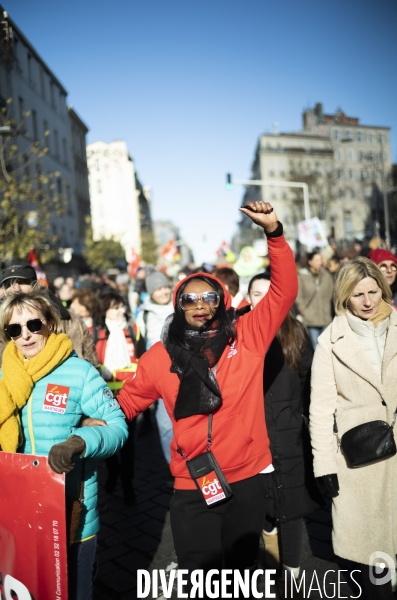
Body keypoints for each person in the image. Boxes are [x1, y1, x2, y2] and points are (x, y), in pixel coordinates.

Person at [116, 202, 297, 584]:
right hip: (192, 482)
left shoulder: (247, 336)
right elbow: (128, 403)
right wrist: (93, 425)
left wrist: (274, 234)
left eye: (209, 297)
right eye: (190, 299)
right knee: (198, 579)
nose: (200, 305)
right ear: (178, 306)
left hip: (247, 479)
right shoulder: (159, 356)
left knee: (241, 576)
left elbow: (283, 292)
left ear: (223, 302)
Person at [0, 286, 128, 600]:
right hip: (17, 513)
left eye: (33, 324)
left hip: (69, 512)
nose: (26, 335)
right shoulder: (4, 377)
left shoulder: (80, 372)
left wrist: (79, 441)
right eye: (15, 329)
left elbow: (118, 427)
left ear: (50, 323)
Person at [310, 257, 397, 600]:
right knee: (372, 560)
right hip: (359, 461)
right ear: (344, 296)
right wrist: (323, 465)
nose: (368, 301)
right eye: (358, 294)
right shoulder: (331, 340)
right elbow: (320, 408)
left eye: (374, 291)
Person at [248, 273, 323, 598]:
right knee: (262, 508)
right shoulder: (238, 334)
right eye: (256, 293)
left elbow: (309, 383)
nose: (263, 300)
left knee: (291, 509)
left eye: (269, 293)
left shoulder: (296, 333)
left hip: (291, 437)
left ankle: (290, 573)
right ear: (247, 298)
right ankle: (269, 548)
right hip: (252, 441)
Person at [93, 291, 146, 503]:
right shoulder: (94, 332)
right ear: (104, 310)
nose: (120, 311)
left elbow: (142, 361)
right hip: (103, 398)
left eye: (121, 306)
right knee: (107, 440)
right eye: (114, 308)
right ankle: (113, 470)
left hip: (128, 396)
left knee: (128, 442)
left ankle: (127, 483)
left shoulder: (134, 330)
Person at [0, 265, 100, 369]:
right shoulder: (2, 324)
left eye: (22, 282)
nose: (16, 288)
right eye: (8, 284)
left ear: (36, 285)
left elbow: (91, 365)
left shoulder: (70, 320)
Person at [136, 270, 174, 457]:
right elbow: (140, 344)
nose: (164, 292)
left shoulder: (180, 307)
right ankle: (171, 463)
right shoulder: (143, 314)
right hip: (160, 373)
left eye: (166, 287)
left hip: (184, 369)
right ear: (151, 292)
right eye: (158, 289)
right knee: (165, 420)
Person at [296, 251, 334, 347]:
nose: (320, 262)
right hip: (311, 317)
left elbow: (332, 292)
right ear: (310, 262)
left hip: (325, 316)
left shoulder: (326, 275)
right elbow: (298, 295)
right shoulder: (302, 277)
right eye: (317, 260)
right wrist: (303, 310)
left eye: (321, 259)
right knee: (315, 346)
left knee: (327, 346)